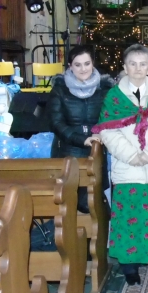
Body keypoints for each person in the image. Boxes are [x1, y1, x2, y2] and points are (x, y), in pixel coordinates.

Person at [93, 44, 148, 285]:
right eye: (133, 63)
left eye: (143, 64)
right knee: (127, 217)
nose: (138, 68)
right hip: (127, 167)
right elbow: (108, 131)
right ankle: (129, 265)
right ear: (125, 66)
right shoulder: (114, 97)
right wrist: (132, 156)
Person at [48, 45, 113, 213]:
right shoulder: (60, 89)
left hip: (96, 150)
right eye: (77, 65)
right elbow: (56, 123)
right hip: (68, 151)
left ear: (93, 63)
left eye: (87, 63)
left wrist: (101, 132)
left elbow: (110, 117)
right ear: (70, 66)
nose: (83, 69)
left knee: (96, 202)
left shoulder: (105, 89)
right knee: (70, 201)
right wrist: (82, 139)